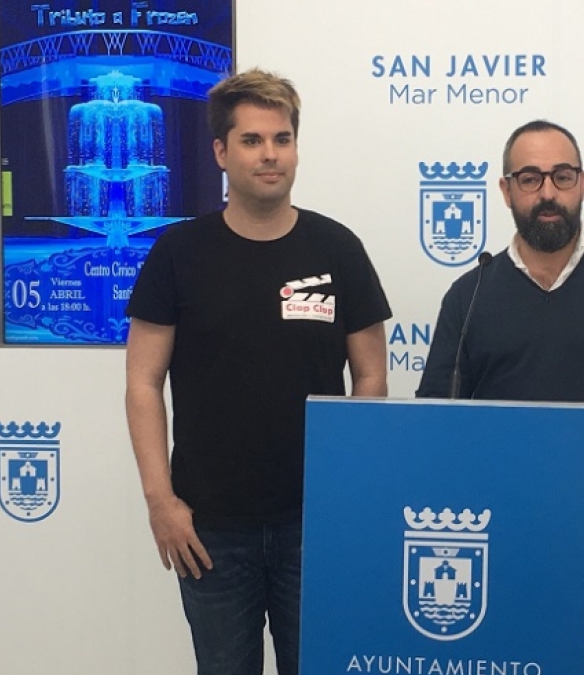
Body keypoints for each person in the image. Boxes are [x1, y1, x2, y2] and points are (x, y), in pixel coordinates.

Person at [124, 68, 391, 675]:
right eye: (252, 140)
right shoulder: (178, 254)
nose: (270, 154)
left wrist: (349, 489)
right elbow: (142, 383)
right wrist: (161, 501)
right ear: (221, 152)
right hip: (210, 530)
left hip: (315, 522)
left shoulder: (338, 248)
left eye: (282, 139)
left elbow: (372, 377)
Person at [416, 120, 584, 675]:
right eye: (530, 178)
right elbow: (436, 420)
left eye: (561, 176)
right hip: (494, 544)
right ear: (506, 190)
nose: (548, 192)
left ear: (582, 183)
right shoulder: (471, 295)